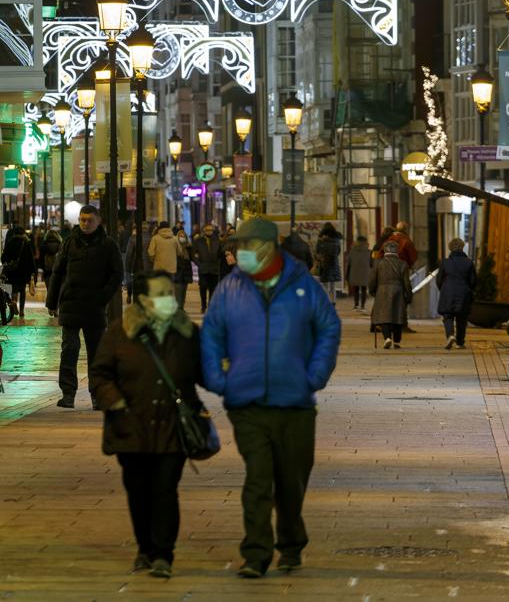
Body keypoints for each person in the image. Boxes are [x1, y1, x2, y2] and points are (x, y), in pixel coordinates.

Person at [202, 217, 341, 579]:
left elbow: (328, 327)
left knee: (291, 482)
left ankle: (292, 544)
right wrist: (220, 379)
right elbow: (212, 333)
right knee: (259, 480)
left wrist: (315, 375)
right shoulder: (230, 288)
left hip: (294, 402)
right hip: (247, 403)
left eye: (244, 247)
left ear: (266, 249)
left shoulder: (302, 286)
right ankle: (256, 554)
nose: (238, 253)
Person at [91, 269, 203, 579]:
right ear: (142, 300)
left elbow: (204, 373)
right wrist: (114, 401)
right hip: (131, 426)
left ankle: (163, 553)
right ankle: (144, 548)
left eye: (171, 293)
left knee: (165, 489)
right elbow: (100, 374)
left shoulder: (187, 332)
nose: (170, 299)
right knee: (138, 491)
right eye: (162, 294)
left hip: (172, 427)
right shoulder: (119, 332)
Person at [46, 205, 123, 409]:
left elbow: (117, 275)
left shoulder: (108, 245)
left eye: (89, 220)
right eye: (82, 220)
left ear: (98, 221)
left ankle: (97, 395)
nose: (85, 224)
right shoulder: (70, 242)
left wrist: (103, 297)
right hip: (71, 303)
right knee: (69, 349)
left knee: (96, 353)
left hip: (94, 306)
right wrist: (52, 302)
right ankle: (68, 393)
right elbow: (57, 272)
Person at [369, 240, 412, 349]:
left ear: (385, 250)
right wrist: (409, 294)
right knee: (397, 316)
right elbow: (406, 282)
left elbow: (373, 280)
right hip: (398, 291)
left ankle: (387, 338)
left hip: (382, 291)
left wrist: (372, 291)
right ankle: (397, 341)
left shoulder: (378, 263)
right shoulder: (403, 264)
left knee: (384, 316)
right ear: (397, 251)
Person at [437, 238, 477, 350]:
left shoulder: (445, 262)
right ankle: (460, 342)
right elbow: (473, 280)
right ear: (462, 247)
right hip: (464, 292)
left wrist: (443, 289)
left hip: (448, 291)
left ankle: (450, 335)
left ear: (450, 248)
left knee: (448, 315)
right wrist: (469, 290)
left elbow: (439, 279)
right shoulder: (469, 262)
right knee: (462, 318)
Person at [1, 226, 36, 319]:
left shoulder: (10, 243)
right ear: (23, 233)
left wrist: (8, 263)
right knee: (22, 290)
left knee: (14, 289)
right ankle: (21, 311)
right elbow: (31, 259)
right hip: (24, 272)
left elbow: (3, 257)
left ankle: (13, 303)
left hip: (12, 271)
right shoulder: (26, 243)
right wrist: (33, 271)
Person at [191, 223, 220, 313]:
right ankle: (203, 305)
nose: (209, 232)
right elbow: (193, 254)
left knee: (213, 288)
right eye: (207, 230)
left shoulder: (217, 240)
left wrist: (218, 263)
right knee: (203, 287)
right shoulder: (198, 240)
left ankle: (211, 306)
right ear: (204, 231)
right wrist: (199, 264)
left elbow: (220, 253)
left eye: (211, 230)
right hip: (203, 268)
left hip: (214, 268)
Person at [315, 223, 342, 305]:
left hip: (325, 264)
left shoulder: (321, 241)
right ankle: (333, 302)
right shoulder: (337, 241)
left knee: (325, 285)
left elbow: (317, 252)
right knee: (333, 286)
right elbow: (338, 252)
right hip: (334, 264)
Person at [346, 235, 371, 311]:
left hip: (354, 272)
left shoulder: (352, 251)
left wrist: (347, 274)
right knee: (364, 289)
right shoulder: (368, 252)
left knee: (355, 289)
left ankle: (356, 305)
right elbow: (372, 263)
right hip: (365, 273)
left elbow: (349, 263)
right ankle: (363, 306)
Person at [174, 229, 193, 308]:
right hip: (178, 270)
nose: (182, 237)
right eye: (180, 236)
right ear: (177, 237)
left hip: (186, 270)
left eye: (183, 236)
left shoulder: (189, 247)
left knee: (184, 291)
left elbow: (192, 257)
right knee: (178, 290)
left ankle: (181, 306)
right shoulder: (175, 246)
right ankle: (178, 307)